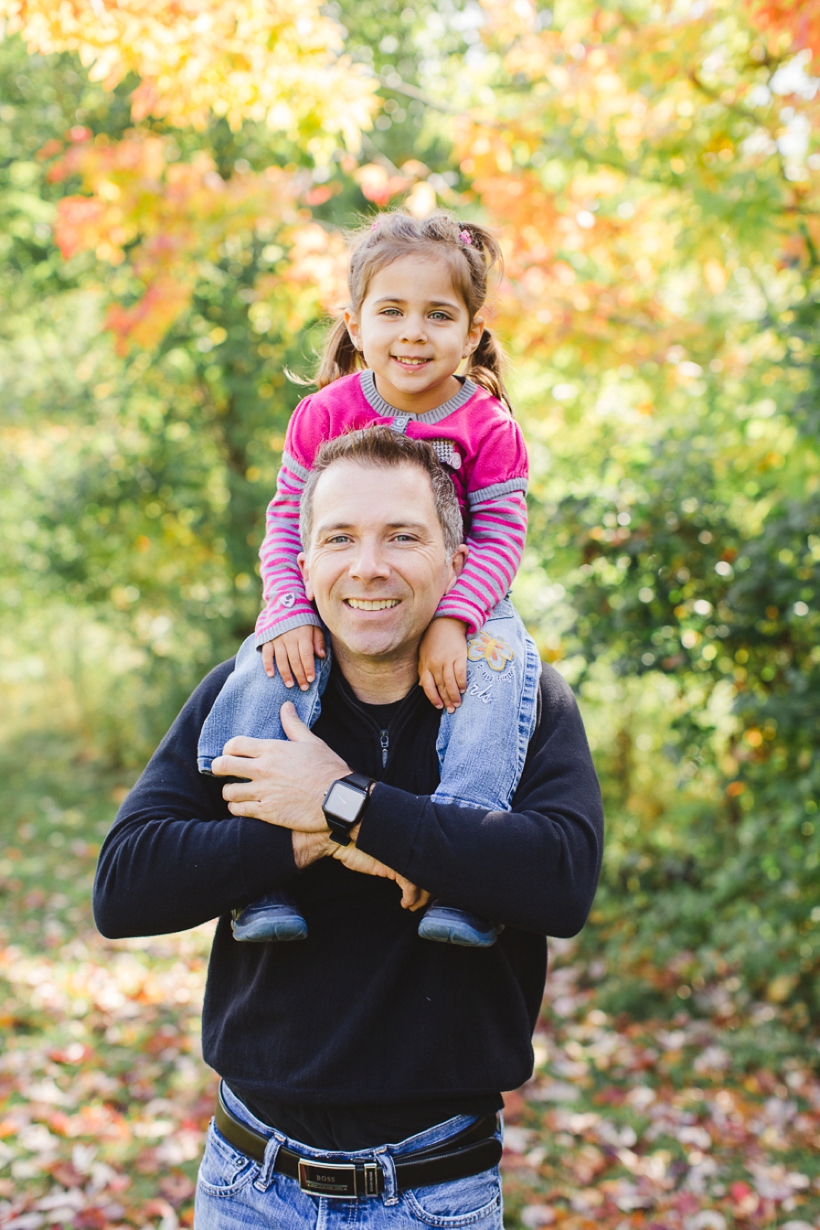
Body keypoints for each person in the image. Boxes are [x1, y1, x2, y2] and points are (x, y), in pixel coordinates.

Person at [93, 428, 604, 1229]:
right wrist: (313, 833)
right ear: (302, 565)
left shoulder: (519, 702)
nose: (368, 566)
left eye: (402, 536)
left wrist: (343, 802)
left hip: (435, 1191)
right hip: (248, 1186)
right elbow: (125, 889)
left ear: (459, 558)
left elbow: (559, 881)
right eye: (339, 538)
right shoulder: (252, 692)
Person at [197, 210, 537, 949]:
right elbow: (289, 520)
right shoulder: (325, 413)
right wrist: (286, 609)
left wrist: (456, 620)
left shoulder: (486, 426)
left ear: (473, 334)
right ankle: (259, 868)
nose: (414, 333)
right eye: (392, 311)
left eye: (438, 315)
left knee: (499, 676)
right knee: (267, 665)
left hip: (466, 600)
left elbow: (503, 536)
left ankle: (461, 868)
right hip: (333, 595)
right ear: (354, 323)